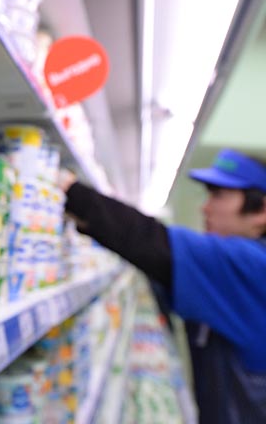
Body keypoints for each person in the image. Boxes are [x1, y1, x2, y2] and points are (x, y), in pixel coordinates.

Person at [60, 148, 266, 424]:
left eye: (218, 195)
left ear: (261, 210)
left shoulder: (252, 264)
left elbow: (155, 245)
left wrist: (71, 192)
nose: (205, 207)